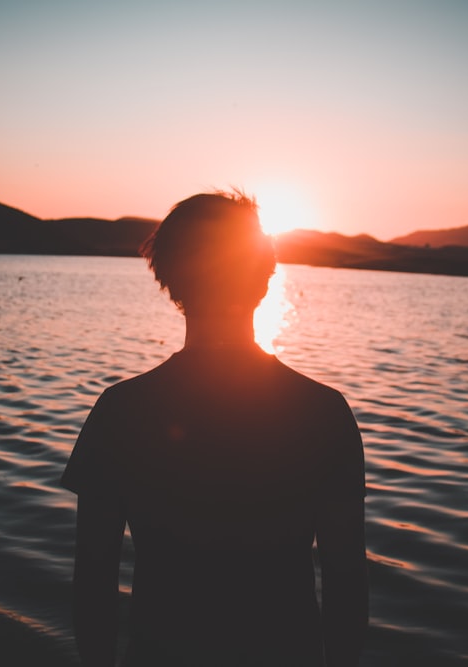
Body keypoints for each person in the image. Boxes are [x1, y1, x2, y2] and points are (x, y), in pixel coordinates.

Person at [62, 191, 368, 667]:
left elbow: (93, 584)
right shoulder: (325, 413)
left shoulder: (121, 411)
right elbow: (346, 587)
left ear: (169, 279)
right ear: (264, 279)